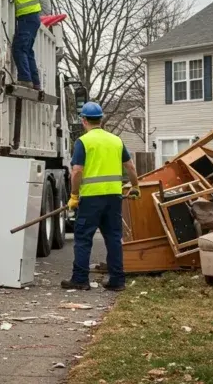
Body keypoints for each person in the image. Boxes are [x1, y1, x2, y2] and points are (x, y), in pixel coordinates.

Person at [61, 101, 141, 292]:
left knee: (83, 238)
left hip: (90, 199)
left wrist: (73, 195)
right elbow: (130, 166)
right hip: (114, 197)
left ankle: (80, 279)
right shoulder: (116, 140)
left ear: (83, 120)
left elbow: (77, 171)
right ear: (101, 118)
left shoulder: (84, 142)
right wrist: (136, 186)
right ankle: (117, 281)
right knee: (113, 238)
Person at [0, 0, 42, 90]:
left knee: (19, 48)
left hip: (27, 18)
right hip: (31, 18)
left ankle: (25, 80)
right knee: (28, 51)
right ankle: (35, 82)